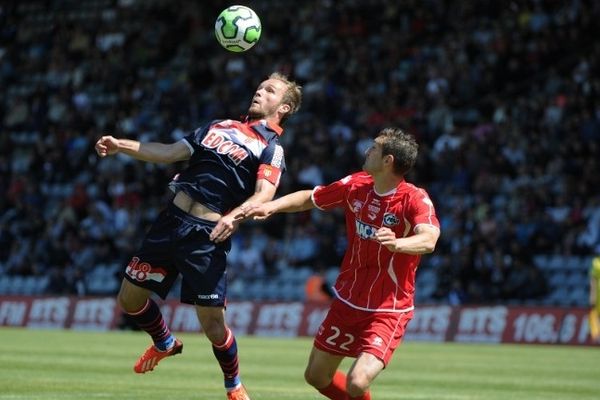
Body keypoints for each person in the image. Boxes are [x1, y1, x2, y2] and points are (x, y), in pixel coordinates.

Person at [94, 72, 302, 400]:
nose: (259, 92)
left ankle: (234, 386)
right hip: (170, 222)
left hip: (207, 236)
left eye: (270, 90)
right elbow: (167, 152)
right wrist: (122, 146)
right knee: (128, 299)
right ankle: (164, 343)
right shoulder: (218, 126)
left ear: (285, 107)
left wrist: (235, 217)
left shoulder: (271, 148)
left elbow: (264, 194)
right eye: (260, 86)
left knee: (213, 327)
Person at [239, 128, 440, 399]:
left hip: (388, 308)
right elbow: (311, 198)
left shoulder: (414, 198)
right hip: (348, 300)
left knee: (357, 383)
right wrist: (271, 207)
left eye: (374, 148)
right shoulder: (356, 185)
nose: (367, 151)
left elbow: (429, 239)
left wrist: (397, 244)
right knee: (316, 375)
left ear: (388, 161)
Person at [590, 255, 600, 342]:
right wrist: (592, 296)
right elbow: (593, 280)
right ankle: (596, 336)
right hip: (598, 296)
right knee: (594, 314)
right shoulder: (596, 262)